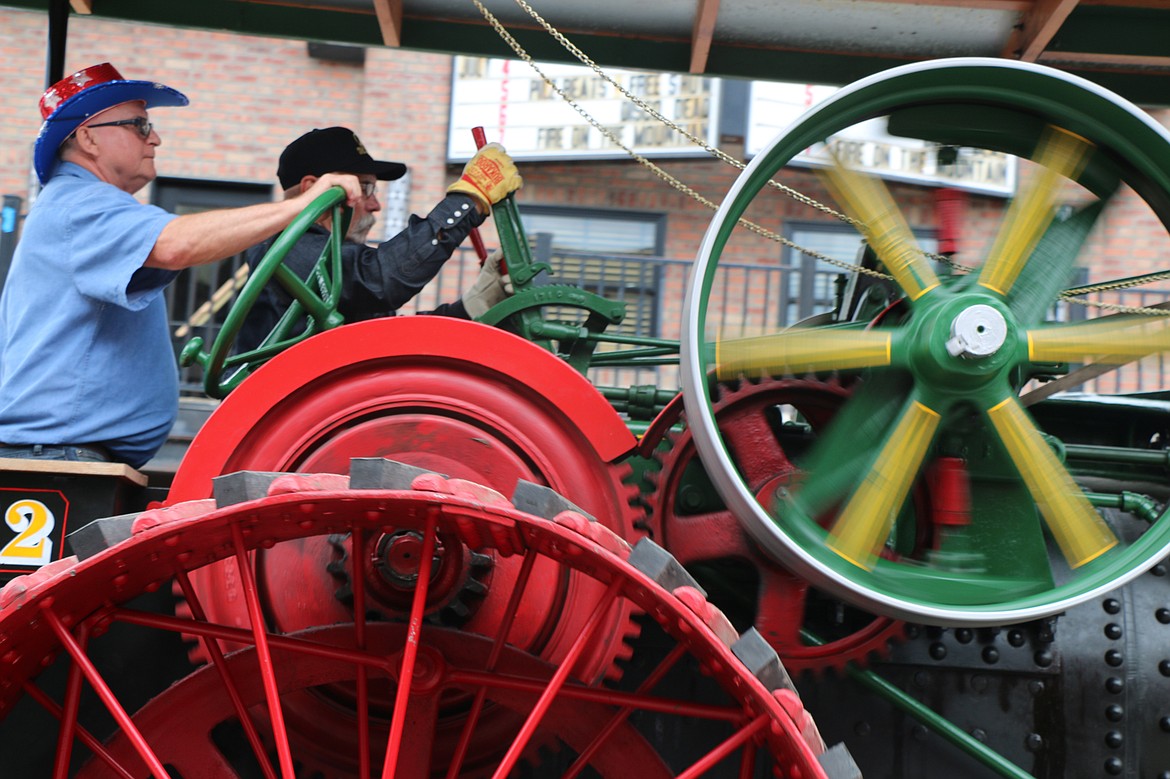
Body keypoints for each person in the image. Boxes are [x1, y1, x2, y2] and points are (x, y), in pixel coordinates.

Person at [0, 63, 364, 469]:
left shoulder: (85, 206)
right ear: (88, 138)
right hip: (61, 458)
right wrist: (300, 207)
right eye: (139, 126)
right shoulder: (78, 206)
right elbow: (177, 244)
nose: (154, 138)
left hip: (74, 454)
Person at [236, 126, 522, 353]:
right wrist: (469, 199)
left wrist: (475, 305)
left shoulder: (324, 261)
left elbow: (391, 341)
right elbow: (379, 279)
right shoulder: (285, 248)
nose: (375, 205)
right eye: (365, 188)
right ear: (314, 190)